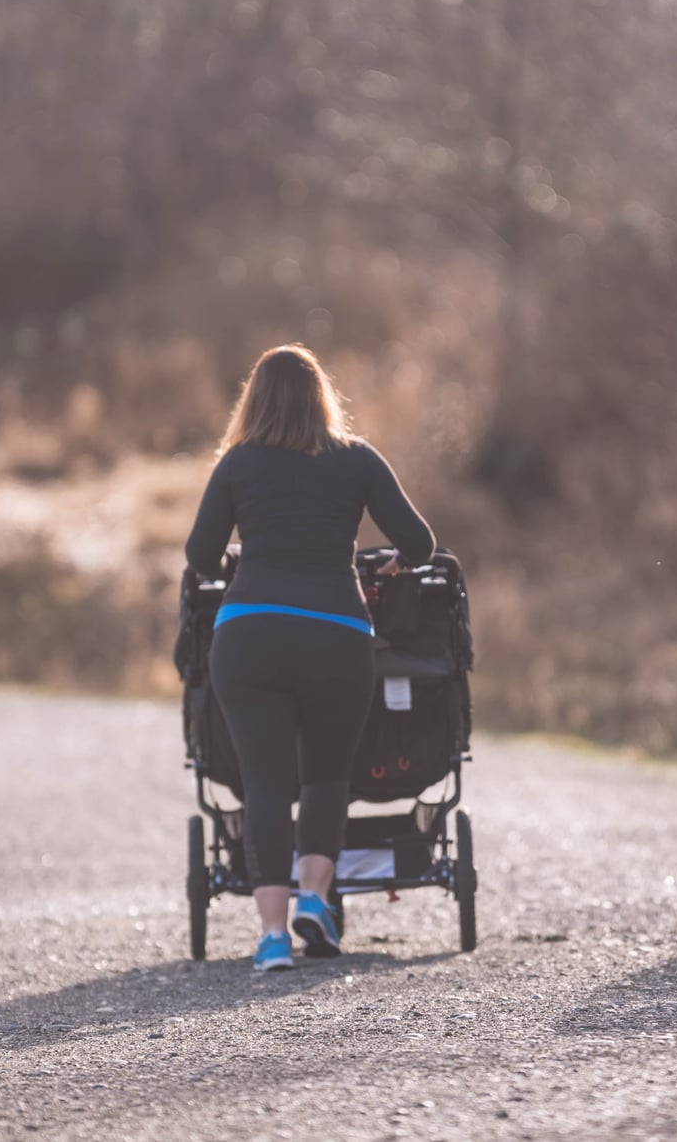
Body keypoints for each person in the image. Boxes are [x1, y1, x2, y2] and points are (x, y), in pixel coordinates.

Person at [184, 344, 435, 972]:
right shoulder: (356, 460)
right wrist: (394, 563)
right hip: (335, 632)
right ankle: (314, 901)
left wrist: (234, 566)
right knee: (328, 777)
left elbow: (199, 553)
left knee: (267, 787)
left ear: (254, 399)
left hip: (250, 634)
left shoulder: (239, 463)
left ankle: (272, 938)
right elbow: (420, 542)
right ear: (323, 396)